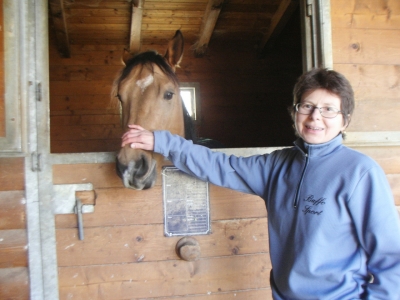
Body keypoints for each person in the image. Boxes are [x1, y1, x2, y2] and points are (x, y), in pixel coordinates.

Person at [121, 68, 400, 299]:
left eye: (329, 110)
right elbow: (222, 166)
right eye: (308, 106)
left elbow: (391, 258)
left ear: (345, 121)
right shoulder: (277, 165)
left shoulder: (360, 172)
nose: (316, 117)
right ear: (295, 112)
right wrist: (163, 142)